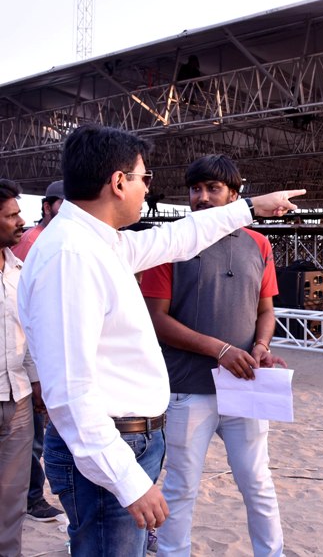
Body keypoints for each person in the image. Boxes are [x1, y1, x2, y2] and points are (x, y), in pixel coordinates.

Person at [17, 124, 304, 556]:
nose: (147, 189)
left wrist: (249, 207)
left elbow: (175, 237)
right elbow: (70, 392)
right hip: (113, 445)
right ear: (119, 182)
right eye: (144, 178)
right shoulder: (70, 256)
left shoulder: (96, 242)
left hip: (127, 440)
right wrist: (127, 480)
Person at [141, 154, 287, 556]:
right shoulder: (171, 242)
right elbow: (157, 319)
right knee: (181, 486)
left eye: (213, 188)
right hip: (188, 389)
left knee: (257, 482)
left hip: (245, 384)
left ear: (235, 196)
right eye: (195, 189)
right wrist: (219, 349)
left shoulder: (259, 244)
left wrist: (261, 347)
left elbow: (266, 311)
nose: (202, 197)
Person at [11, 180, 66, 523]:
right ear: (47, 207)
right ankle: (32, 497)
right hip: (23, 361)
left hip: (30, 361)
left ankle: (30, 497)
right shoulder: (35, 242)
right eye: (63, 204)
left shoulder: (49, 240)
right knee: (32, 440)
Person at [0, 178, 42, 556]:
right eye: (11, 215)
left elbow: (25, 335)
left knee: (12, 498)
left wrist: (37, 386)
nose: (21, 221)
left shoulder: (19, 271)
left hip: (19, 402)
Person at [12, 180, 64, 261]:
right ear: (47, 208)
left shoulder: (61, 237)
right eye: (64, 204)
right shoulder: (31, 241)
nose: (70, 209)